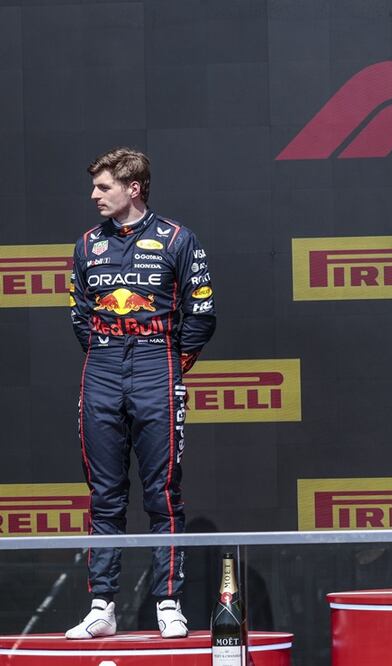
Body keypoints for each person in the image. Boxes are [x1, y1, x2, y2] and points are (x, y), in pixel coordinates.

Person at [67, 148, 216, 638]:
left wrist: (170, 363)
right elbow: (80, 317)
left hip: (158, 366)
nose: (94, 195)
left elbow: (201, 315)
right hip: (103, 367)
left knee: (163, 496)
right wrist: (113, 351)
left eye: (103, 187)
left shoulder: (178, 239)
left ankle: (168, 602)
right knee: (104, 496)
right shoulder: (87, 244)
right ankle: (101, 605)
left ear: (133, 188)